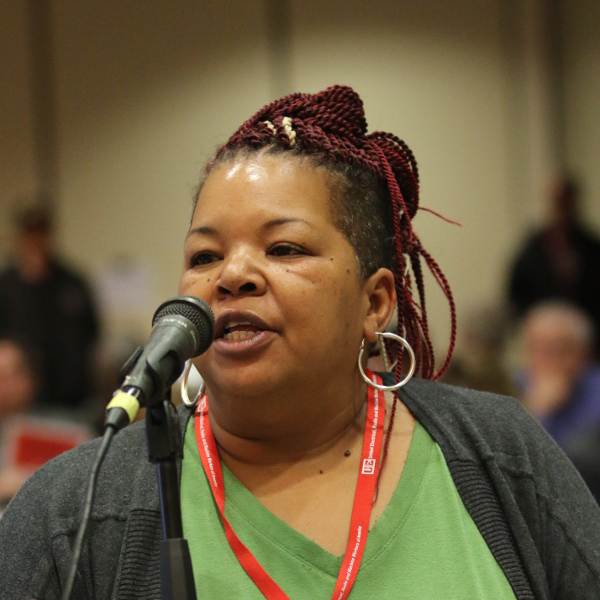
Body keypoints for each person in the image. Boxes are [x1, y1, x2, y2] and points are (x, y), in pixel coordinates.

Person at [1, 86, 599, 599]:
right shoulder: (73, 511)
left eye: (284, 248)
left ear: (375, 303)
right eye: (204, 255)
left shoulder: (501, 456)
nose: (231, 276)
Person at [0, 205, 100, 411]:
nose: (36, 240)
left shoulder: (73, 282)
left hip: (72, 399)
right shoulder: (5, 286)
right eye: (31, 233)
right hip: (19, 404)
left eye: (41, 233)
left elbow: (92, 334)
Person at [507, 175, 600, 357]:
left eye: (566, 200)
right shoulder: (534, 246)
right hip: (543, 338)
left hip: (589, 342)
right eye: (558, 201)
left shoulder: (592, 247)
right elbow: (515, 293)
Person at [517, 302, 600, 449]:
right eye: (535, 349)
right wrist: (536, 411)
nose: (544, 361)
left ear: (583, 353)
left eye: (557, 351)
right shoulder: (514, 384)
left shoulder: (595, 391)